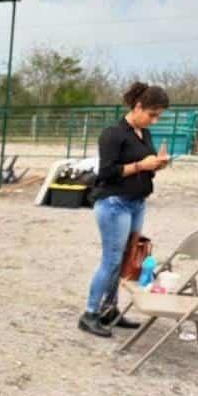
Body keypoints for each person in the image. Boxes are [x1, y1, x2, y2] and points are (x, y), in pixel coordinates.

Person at [79, 82, 170, 337]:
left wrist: (156, 165)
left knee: (126, 259)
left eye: (158, 116)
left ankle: (110, 309)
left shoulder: (145, 134)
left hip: (137, 202)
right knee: (111, 259)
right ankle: (89, 313)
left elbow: (145, 165)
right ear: (138, 106)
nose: (154, 120)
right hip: (114, 203)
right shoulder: (113, 134)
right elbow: (107, 172)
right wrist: (141, 165)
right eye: (152, 114)